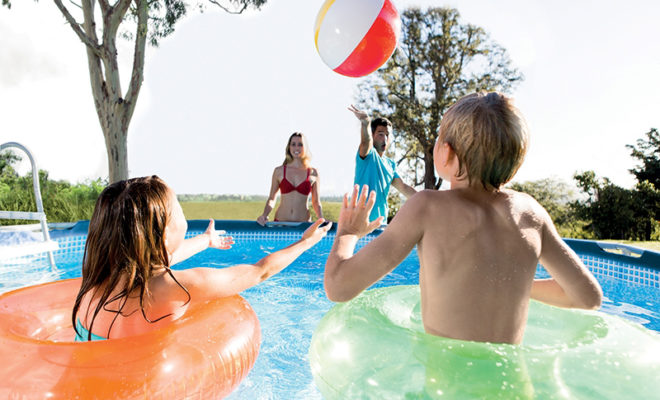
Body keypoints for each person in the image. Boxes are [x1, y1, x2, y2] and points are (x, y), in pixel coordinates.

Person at [326, 93, 603, 345]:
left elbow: (338, 287)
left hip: (447, 387)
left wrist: (348, 233)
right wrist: (510, 284)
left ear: (447, 153)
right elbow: (588, 297)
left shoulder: (426, 207)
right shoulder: (531, 213)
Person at [72, 175, 331, 341]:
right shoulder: (179, 287)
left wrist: (205, 241)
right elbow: (259, 270)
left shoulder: (98, 274)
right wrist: (305, 243)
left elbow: (159, 257)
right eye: (179, 208)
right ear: (162, 235)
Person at [348, 105, 416, 223]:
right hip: (359, 224)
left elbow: (404, 187)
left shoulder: (390, 164)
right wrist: (366, 123)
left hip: (380, 225)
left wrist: (427, 200)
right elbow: (366, 141)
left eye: (387, 134)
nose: (384, 138)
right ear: (373, 135)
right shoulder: (368, 154)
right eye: (380, 134)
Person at [257, 132, 323, 225]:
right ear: (289, 147)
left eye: (300, 145)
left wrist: (321, 219)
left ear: (305, 148)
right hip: (281, 223)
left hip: (303, 225)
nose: (296, 148)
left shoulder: (313, 173)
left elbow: (316, 202)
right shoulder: (279, 171)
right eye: (293, 144)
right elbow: (272, 198)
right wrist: (264, 215)